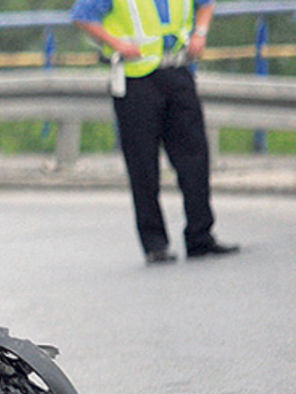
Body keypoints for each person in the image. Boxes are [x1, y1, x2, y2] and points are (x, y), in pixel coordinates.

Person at [72, 0, 239, 264]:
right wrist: (117, 45)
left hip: (177, 71)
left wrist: (200, 33)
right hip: (136, 79)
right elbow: (82, 16)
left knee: (195, 159)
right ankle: (154, 244)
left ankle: (200, 237)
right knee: (143, 165)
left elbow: (206, 4)